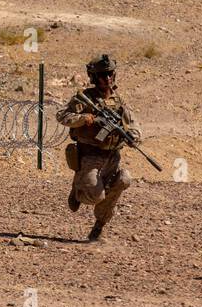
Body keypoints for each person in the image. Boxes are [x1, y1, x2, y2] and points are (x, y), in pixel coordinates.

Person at [56, 55, 141, 243]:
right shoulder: (85, 98)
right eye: (103, 75)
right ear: (94, 78)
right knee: (95, 195)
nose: (107, 79)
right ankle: (78, 189)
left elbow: (133, 123)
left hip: (112, 157)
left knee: (124, 180)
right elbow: (62, 116)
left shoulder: (119, 101)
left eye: (110, 74)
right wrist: (84, 118)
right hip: (90, 156)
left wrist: (134, 136)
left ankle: (99, 225)